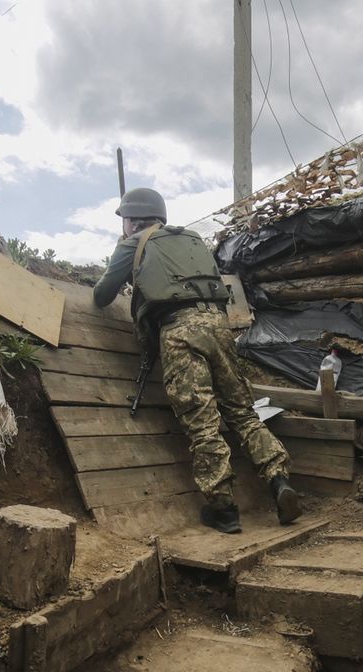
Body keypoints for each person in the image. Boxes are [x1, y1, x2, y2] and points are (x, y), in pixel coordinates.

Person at [93, 187, 300, 533]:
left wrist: (127, 259)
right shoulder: (190, 239)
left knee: (201, 421)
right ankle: (279, 481)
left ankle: (224, 509)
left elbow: (102, 295)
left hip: (180, 331)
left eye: (124, 220)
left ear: (131, 221)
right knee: (243, 413)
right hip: (219, 328)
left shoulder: (133, 243)